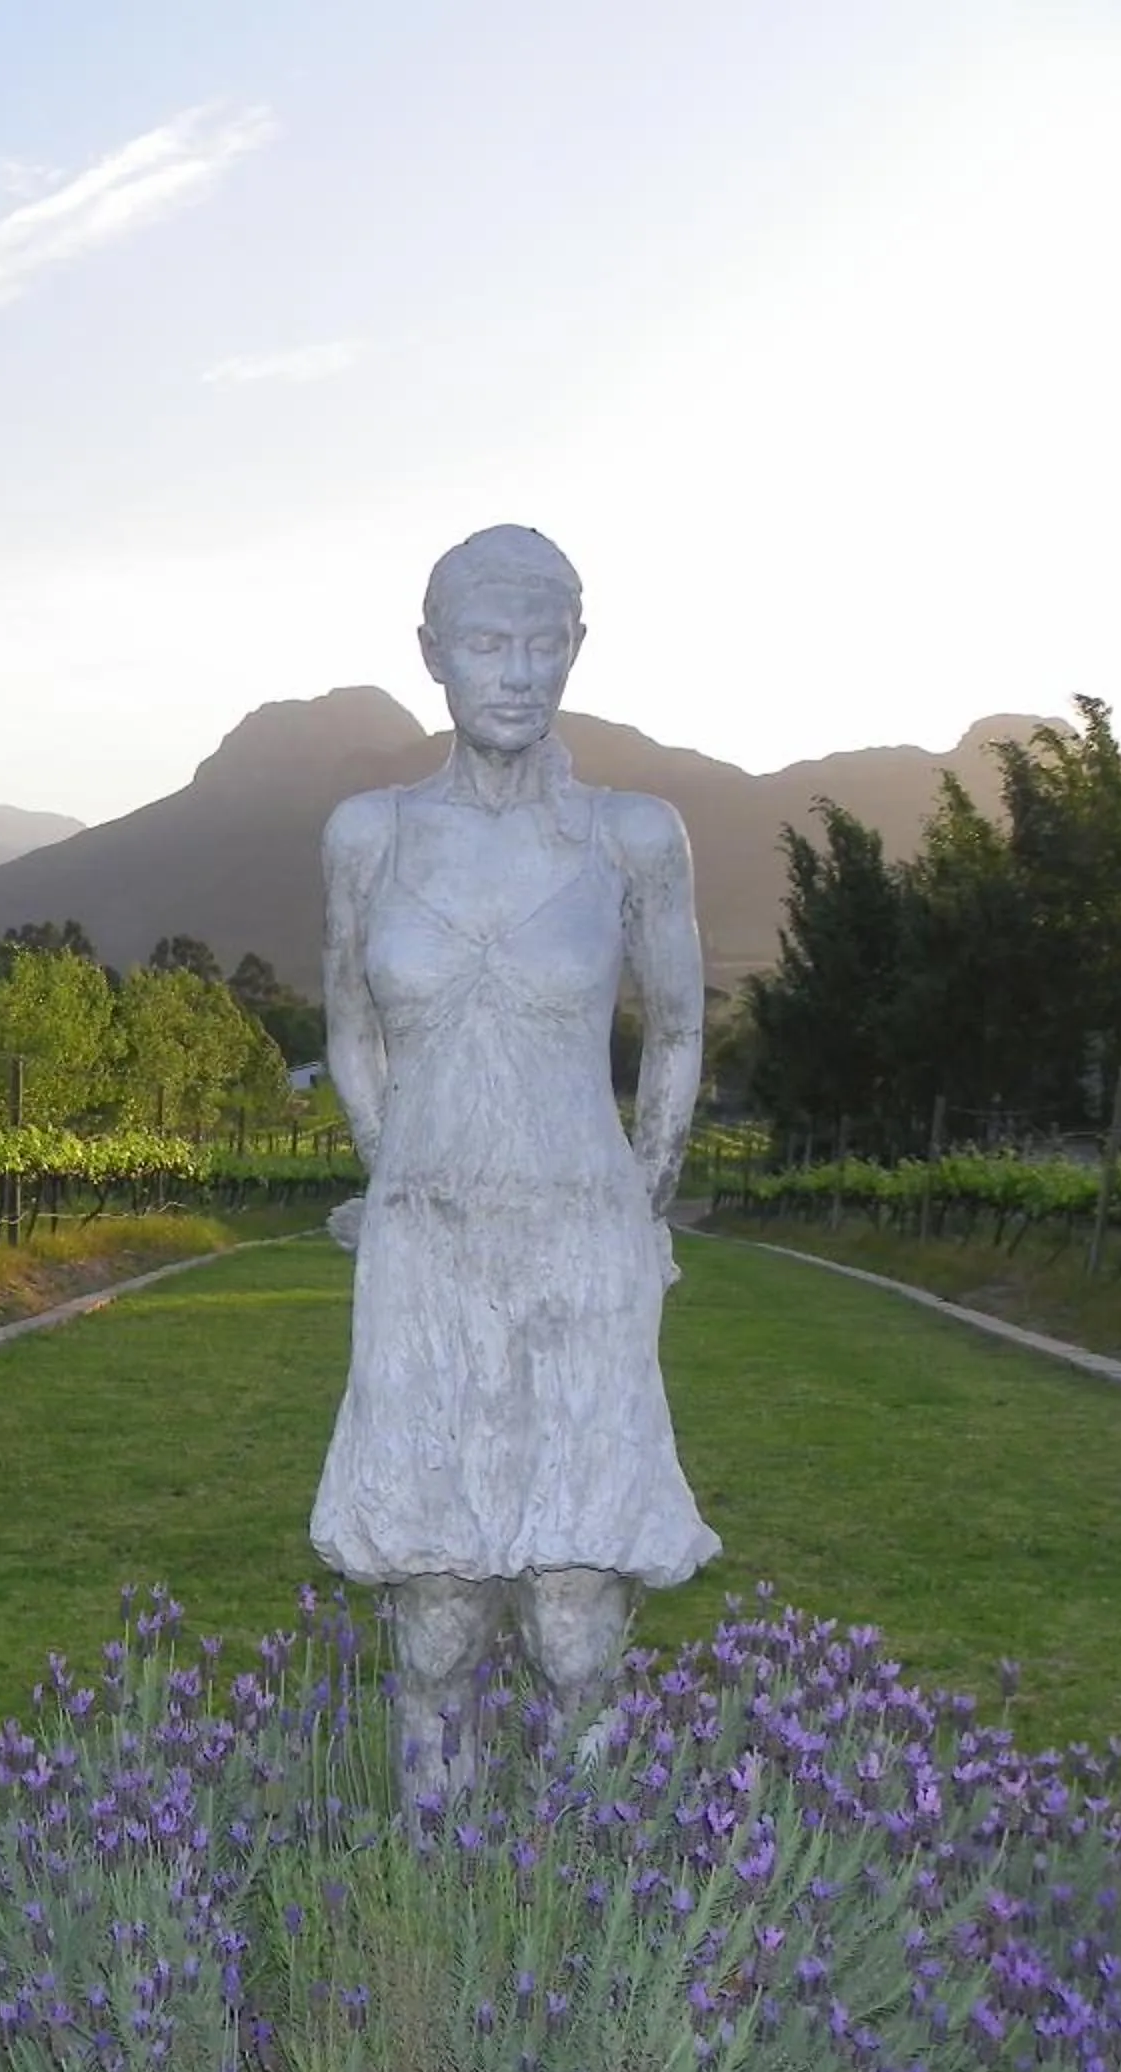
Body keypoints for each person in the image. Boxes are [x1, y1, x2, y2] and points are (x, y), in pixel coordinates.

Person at [310, 524, 718, 1792]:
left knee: (575, 1609)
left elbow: (682, 1031)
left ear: (577, 650)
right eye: (489, 643)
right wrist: (396, 1181)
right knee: (434, 1614)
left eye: (546, 644)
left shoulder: (632, 837)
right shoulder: (369, 834)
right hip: (428, 1248)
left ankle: (590, 1897)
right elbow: (348, 1025)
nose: (520, 673)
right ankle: (438, 1890)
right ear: (433, 654)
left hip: (581, 1240)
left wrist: (638, 1205)